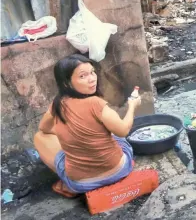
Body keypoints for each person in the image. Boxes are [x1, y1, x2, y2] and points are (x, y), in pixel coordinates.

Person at [34, 54, 142, 197]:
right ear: (67, 83)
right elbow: (123, 130)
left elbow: (44, 129)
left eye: (92, 72)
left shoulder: (57, 104)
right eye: (83, 76)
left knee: (39, 137)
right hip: (119, 171)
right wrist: (132, 106)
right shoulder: (96, 103)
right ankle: (121, 168)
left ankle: (68, 187)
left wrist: (68, 134)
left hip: (80, 183)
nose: (92, 79)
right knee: (117, 136)